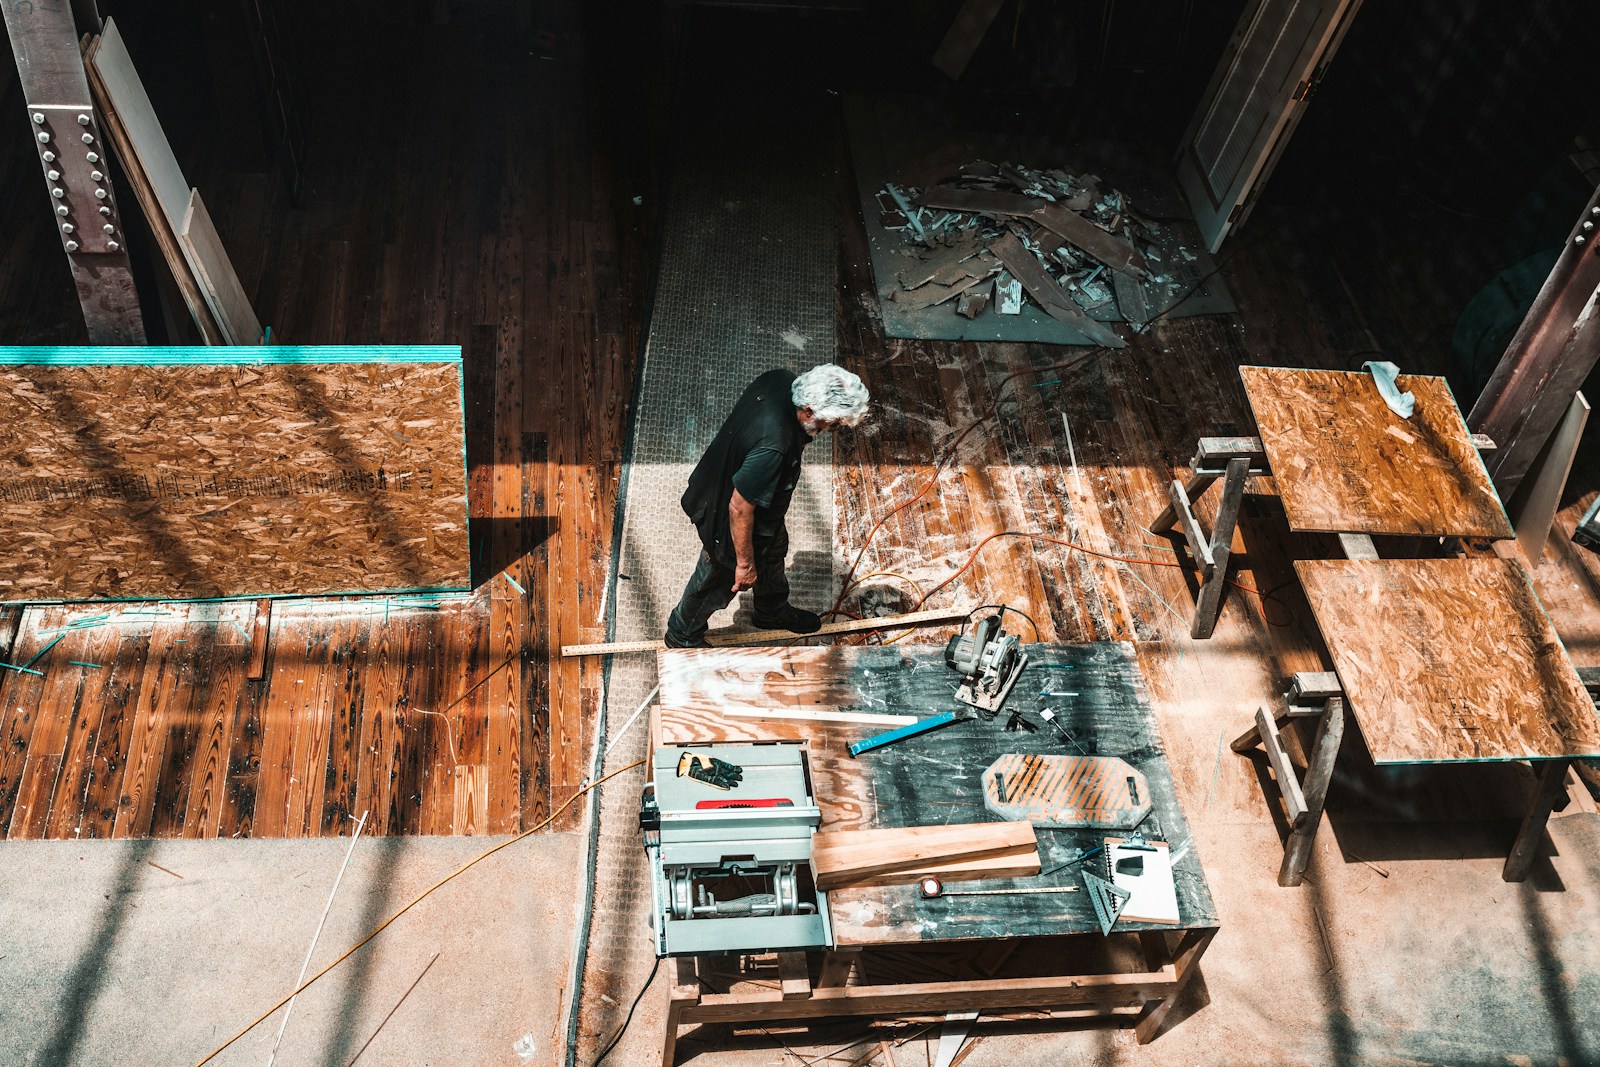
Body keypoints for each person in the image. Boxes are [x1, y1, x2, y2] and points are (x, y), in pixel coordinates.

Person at [664, 363, 870, 648]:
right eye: (830, 424)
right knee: (717, 578)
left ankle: (771, 611)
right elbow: (739, 507)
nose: (829, 430)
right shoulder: (775, 446)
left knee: (773, 549)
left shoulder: (781, 380)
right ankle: (682, 634)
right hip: (727, 517)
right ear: (808, 410)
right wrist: (745, 564)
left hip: (758, 505)